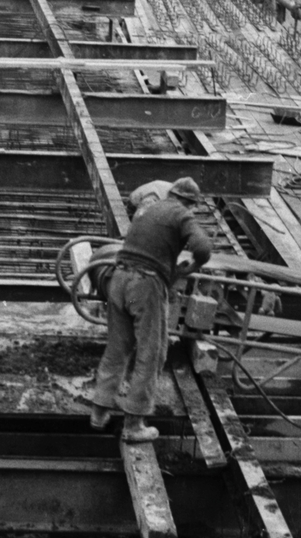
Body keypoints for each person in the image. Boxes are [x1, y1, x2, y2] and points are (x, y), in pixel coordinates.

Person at [90, 176, 214, 442]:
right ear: (190, 202)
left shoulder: (148, 208)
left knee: (118, 347)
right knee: (151, 351)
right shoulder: (181, 214)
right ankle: (134, 424)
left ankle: (99, 412)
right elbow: (203, 248)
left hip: (120, 283)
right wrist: (190, 267)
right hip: (143, 288)